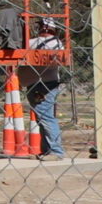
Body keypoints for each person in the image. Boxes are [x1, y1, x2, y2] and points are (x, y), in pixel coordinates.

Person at [25, 17, 67, 160]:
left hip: (43, 84)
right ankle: (47, 149)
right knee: (42, 118)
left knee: (46, 117)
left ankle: (56, 151)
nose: (41, 29)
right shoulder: (52, 43)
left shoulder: (50, 43)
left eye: (43, 27)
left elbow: (25, 46)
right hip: (40, 83)